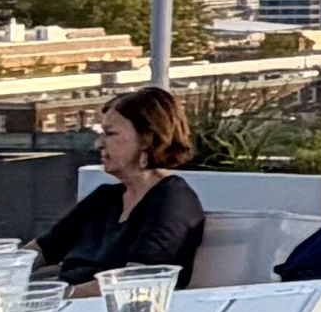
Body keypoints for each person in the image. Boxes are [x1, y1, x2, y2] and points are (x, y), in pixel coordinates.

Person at [32, 84, 207, 286]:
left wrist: (53, 298)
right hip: (67, 304)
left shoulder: (172, 201)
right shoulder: (105, 198)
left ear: (146, 139)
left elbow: (135, 282)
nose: (99, 143)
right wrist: (2, 272)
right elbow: (43, 249)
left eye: (110, 133)